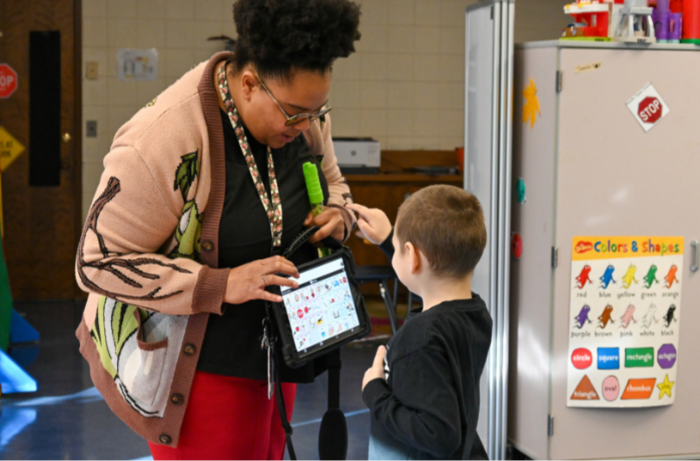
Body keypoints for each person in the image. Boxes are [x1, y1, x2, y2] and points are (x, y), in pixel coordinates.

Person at [75, 1, 361, 460]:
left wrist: (339, 213)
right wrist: (220, 284)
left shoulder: (303, 115)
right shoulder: (162, 137)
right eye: (294, 115)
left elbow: (334, 183)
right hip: (199, 367)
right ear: (249, 84)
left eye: (317, 110)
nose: (308, 125)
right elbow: (97, 263)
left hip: (279, 346)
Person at [347, 186, 493, 460]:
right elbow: (429, 280)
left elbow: (439, 434)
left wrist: (375, 392)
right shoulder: (474, 312)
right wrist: (390, 238)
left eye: (397, 250)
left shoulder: (422, 338)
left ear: (412, 257)